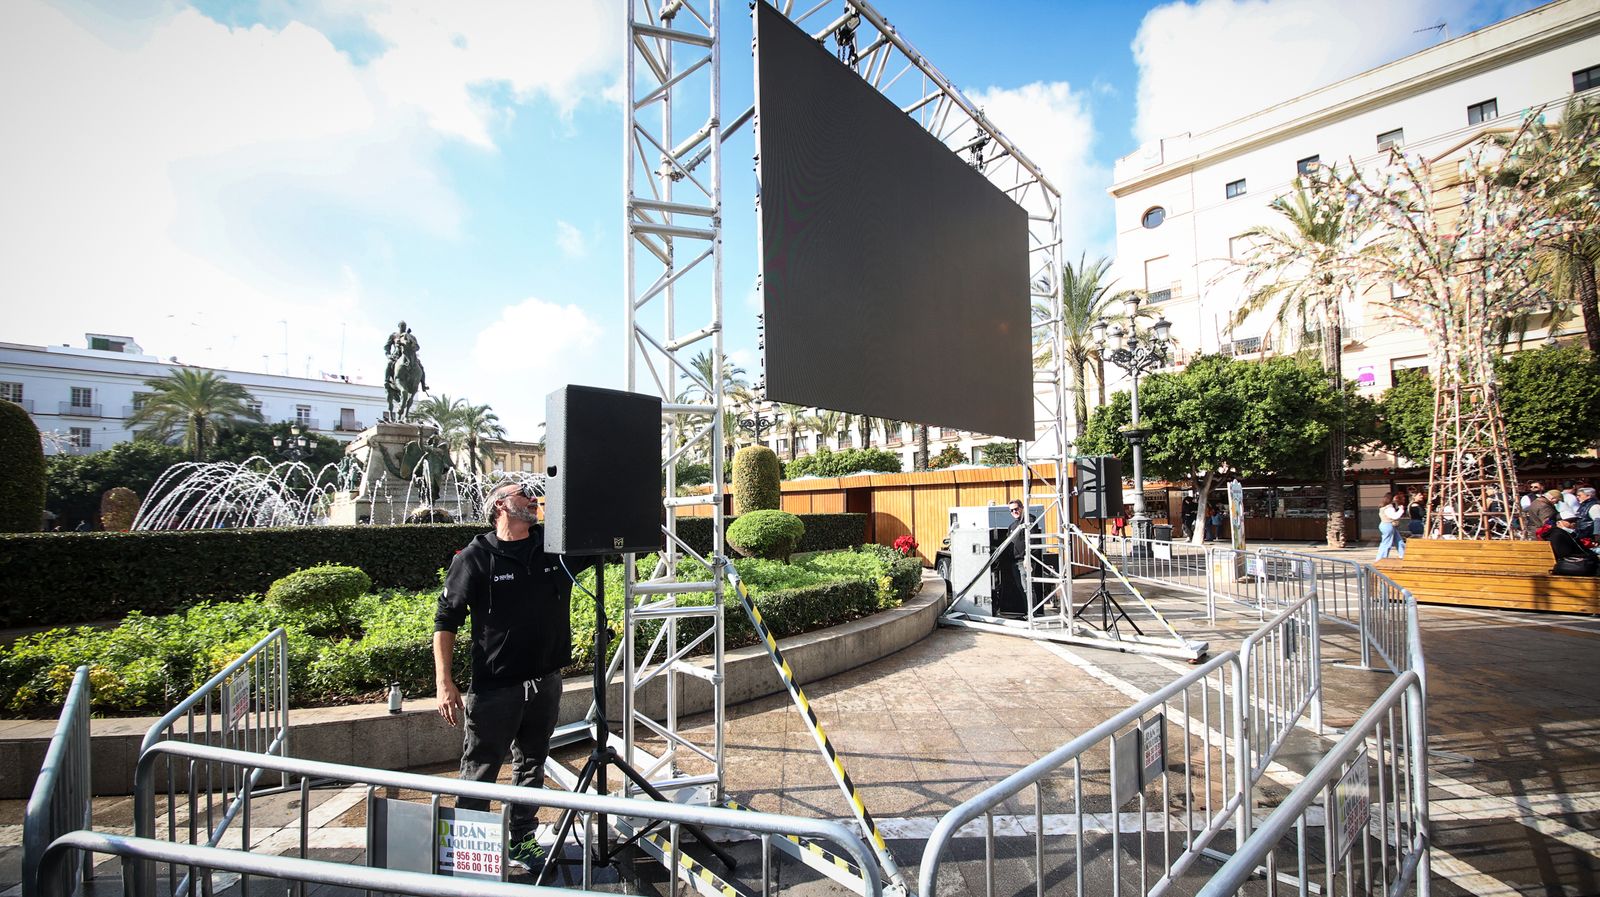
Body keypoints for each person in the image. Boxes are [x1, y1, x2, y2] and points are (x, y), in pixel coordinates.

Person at [433, 481, 594, 871]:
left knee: (532, 763)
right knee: (480, 769)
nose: (532, 497)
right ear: (500, 506)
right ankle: (469, 859)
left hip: (545, 682)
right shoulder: (474, 558)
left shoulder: (552, 547)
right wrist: (444, 682)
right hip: (495, 689)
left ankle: (522, 840)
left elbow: (598, 535)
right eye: (522, 492)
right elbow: (445, 620)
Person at [1548, 508, 1598, 576]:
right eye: (1570, 521)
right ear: (1558, 523)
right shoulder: (1558, 535)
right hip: (1571, 566)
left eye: (1575, 521)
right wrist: (1589, 556)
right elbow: (1564, 554)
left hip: (1573, 564)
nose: (1573, 523)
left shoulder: (1568, 533)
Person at [1376, 492, 1407, 560]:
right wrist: (1401, 510)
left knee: (1398, 540)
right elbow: (1394, 516)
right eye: (1395, 497)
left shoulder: (1384, 506)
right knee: (1387, 543)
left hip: (1386, 525)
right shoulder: (1389, 507)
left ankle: (1403, 554)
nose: (1396, 498)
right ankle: (1381, 558)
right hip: (1388, 525)